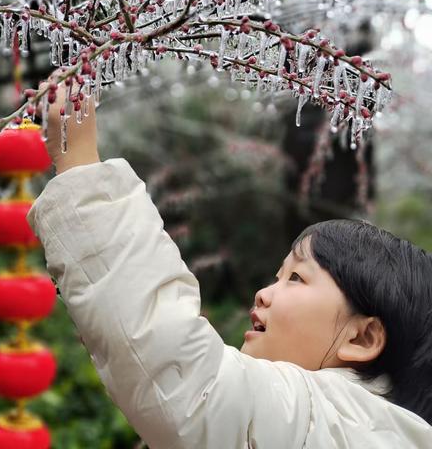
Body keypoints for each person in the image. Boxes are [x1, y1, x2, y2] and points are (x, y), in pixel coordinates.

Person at [26, 79, 432, 448]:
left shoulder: (333, 420)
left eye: (296, 277)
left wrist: (77, 162)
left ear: (361, 339)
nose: (263, 293)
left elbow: (187, 381)